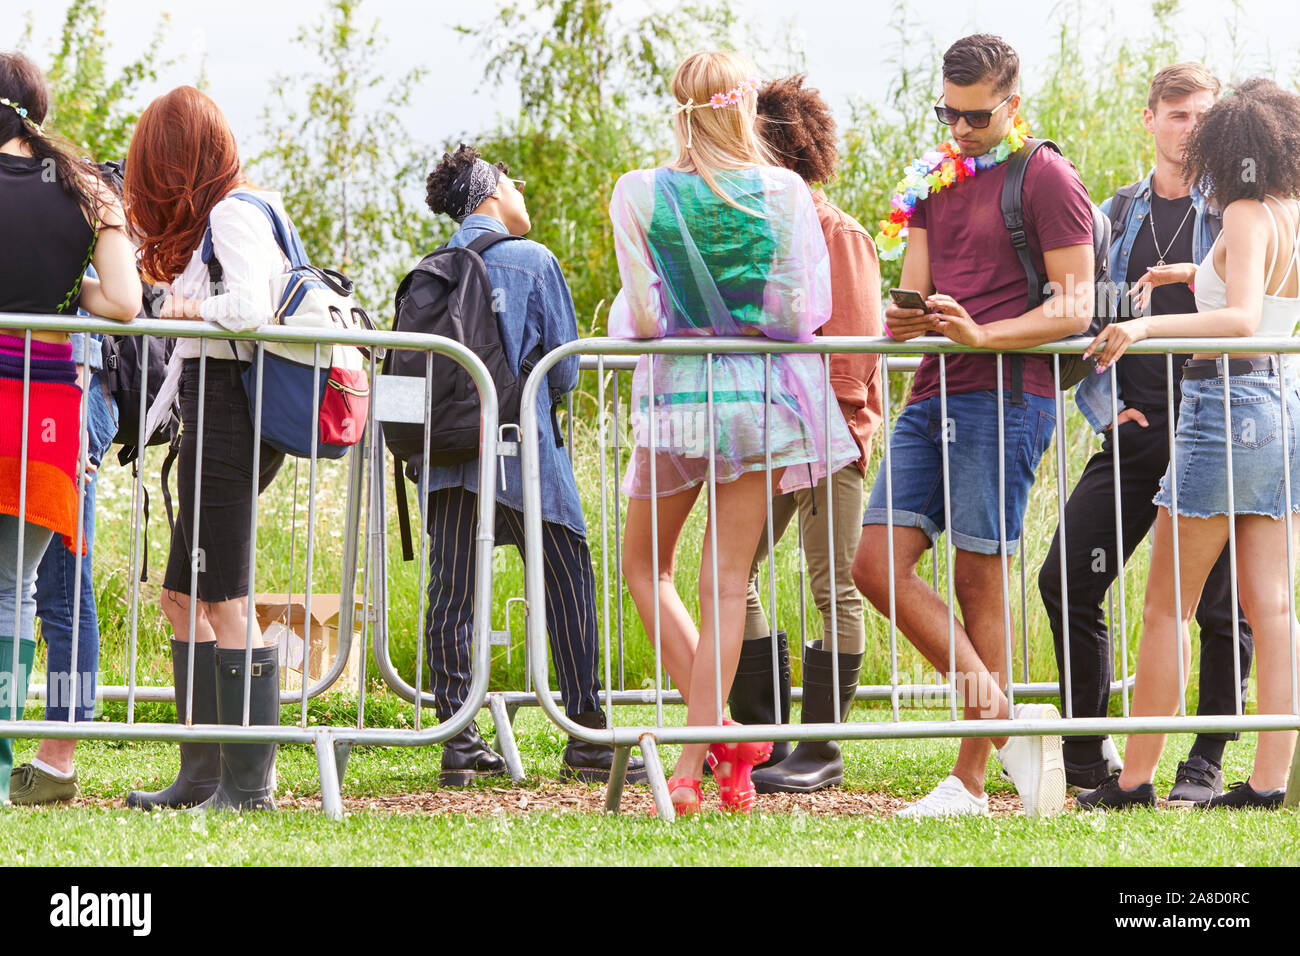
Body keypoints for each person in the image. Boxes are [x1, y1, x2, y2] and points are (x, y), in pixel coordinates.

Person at [852, 34, 1096, 818]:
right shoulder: (932, 178)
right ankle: (1005, 724)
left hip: (1009, 392)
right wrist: (903, 317)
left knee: (978, 575)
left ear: (1013, 104)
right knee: (874, 566)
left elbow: (1078, 304)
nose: (958, 130)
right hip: (933, 388)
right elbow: (916, 295)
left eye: (976, 117)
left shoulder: (1046, 175)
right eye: (947, 114)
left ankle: (967, 780)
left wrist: (988, 335)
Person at [611, 50, 858, 814]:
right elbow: (795, 315)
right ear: (743, 109)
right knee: (726, 580)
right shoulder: (784, 191)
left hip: (680, 396)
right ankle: (703, 755)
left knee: (644, 568)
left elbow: (646, 318)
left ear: (678, 110)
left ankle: (717, 737)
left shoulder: (639, 191)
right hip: (758, 398)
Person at [1079, 78, 1300, 811]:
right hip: (1279, 403)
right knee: (1271, 607)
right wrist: (1190, 274)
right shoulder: (1287, 211)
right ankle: (1268, 783)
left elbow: (1238, 318)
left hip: (1223, 399)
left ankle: (1134, 778)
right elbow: (1262, 298)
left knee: (1167, 606)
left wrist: (1144, 326)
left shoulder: (1239, 209)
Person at [1041, 63, 1254, 805]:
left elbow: (1255, 302)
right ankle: (1087, 752)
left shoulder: (1234, 209)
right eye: (1178, 115)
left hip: (1214, 423)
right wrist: (1106, 410)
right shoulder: (1114, 211)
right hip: (1134, 435)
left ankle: (1205, 762)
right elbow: (1092, 318)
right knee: (1067, 578)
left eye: (1204, 115)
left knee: (1221, 607)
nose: (1190, 127)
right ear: (1150, 119)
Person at [420, 143, 646, 786]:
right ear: (492, 192)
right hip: (525, 459)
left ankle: (457, 738)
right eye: (512, 182)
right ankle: (586, 733)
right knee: (567, 578)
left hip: (451, 457)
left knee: (454, 591)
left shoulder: (432, 268)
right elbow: (567, 369)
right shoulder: (533, 262)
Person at [122, 86, 287, 812]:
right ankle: (205, 772)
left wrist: (187, 306)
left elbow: (251, 308)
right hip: (214, 412)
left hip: (231, 413)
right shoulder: (237, 212)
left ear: (177, 163)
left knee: (225, 600)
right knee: (182, 597)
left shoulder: (235, 213)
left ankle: (247, 785)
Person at [736, 73, 882, 794]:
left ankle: (821, 746)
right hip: (769, 436)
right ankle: (760, 736)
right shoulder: (761, 232)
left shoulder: (837, 232)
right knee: (730, 572)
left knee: (835, 587)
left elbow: (853, 355)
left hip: (827, 437)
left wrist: (840, 435)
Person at [0, 52, 140, 805]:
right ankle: (25, 754)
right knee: (21, 588)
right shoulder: (82, 187)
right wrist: (61, 290)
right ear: (37, 113)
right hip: (47, 408)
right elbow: (124, 302)